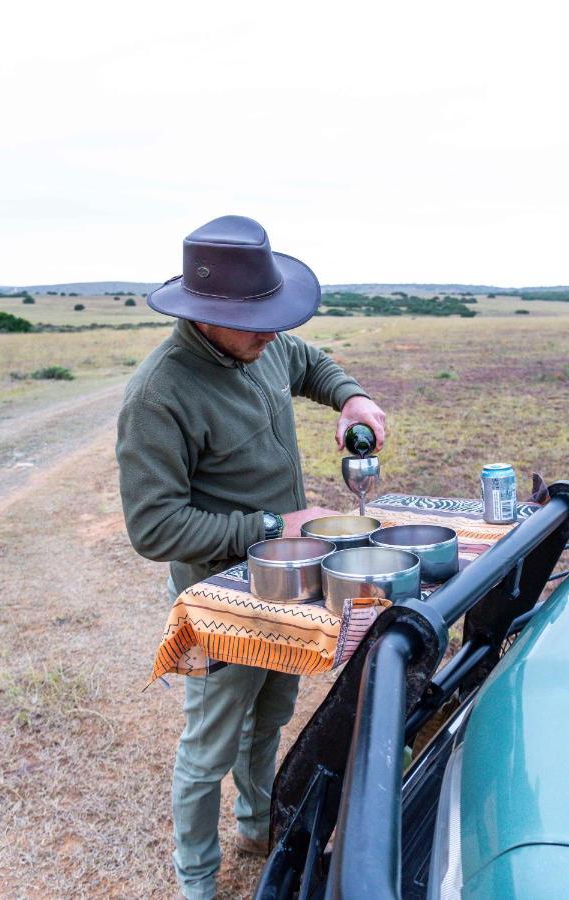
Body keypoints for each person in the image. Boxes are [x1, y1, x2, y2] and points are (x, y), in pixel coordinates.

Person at [116, 215, 386, 900]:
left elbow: (309, 362)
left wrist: (351, 393)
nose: (273, 332)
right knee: (208, 747)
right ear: (205, 316)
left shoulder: (260, 343)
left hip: (288, 580)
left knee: (269, 716)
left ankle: (258, 826)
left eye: (275, 316)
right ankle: (198, 881)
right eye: (259, 322)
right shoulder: (159, 393)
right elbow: (153, 527)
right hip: (224, 598)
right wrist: (272, 523)